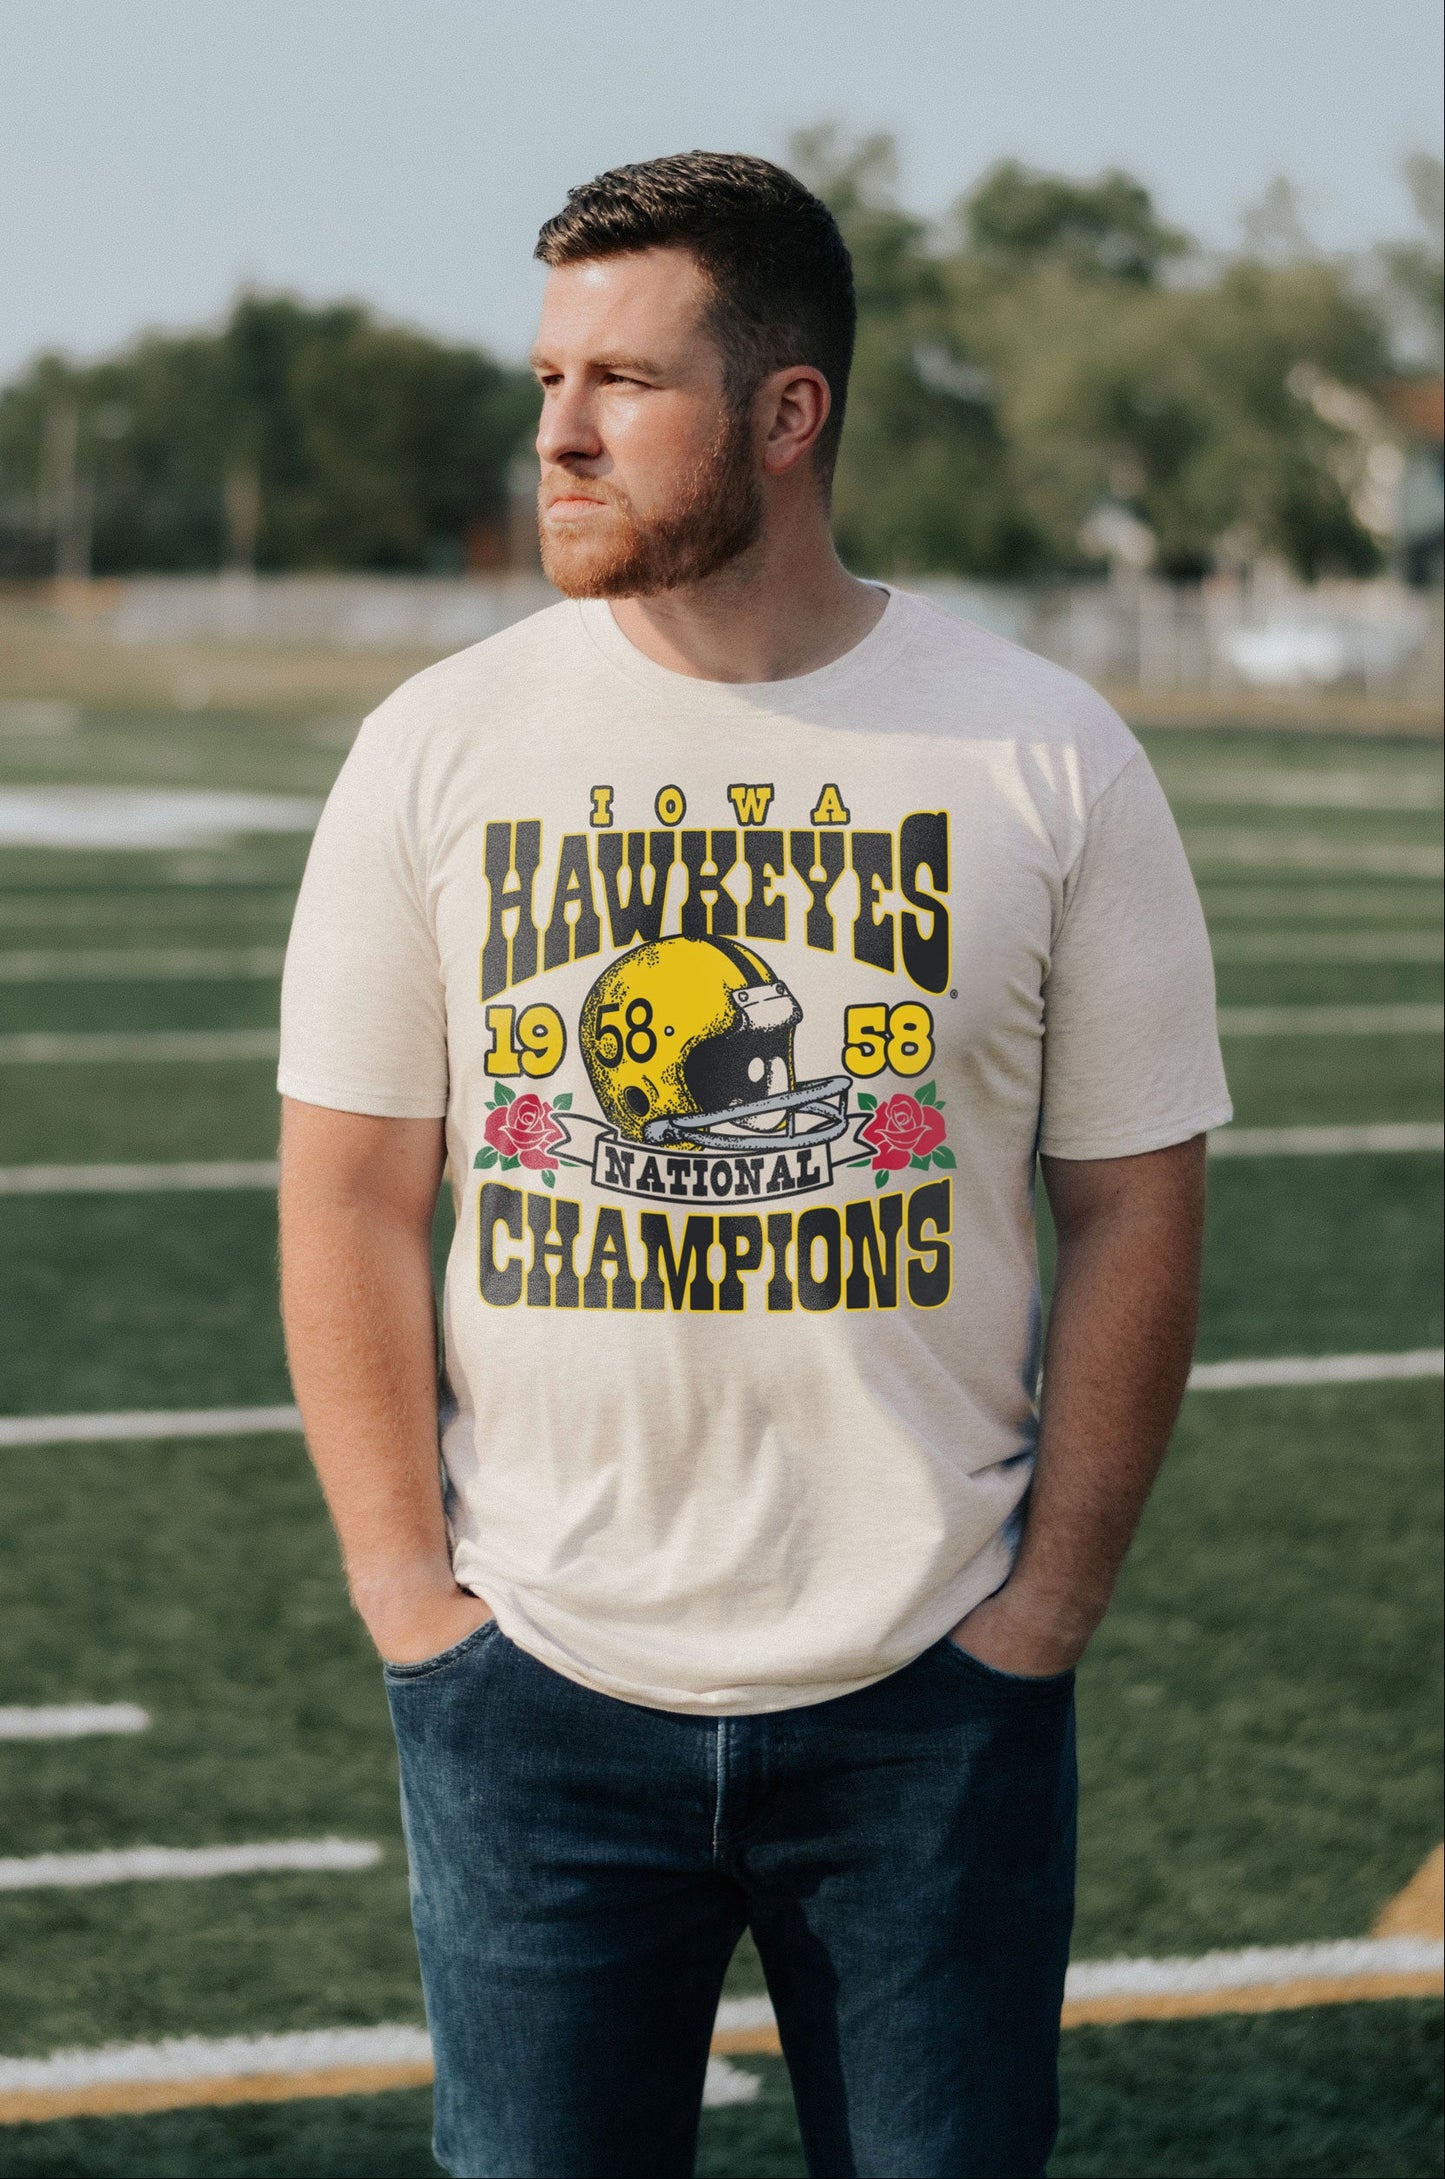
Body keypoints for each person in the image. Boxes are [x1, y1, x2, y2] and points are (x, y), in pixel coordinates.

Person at [277, 151, 1230, 2179]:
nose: (555, 427)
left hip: (932, 1695)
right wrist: (410, 1603)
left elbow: (1139, 1200)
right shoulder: (438, 747)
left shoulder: (1043, 752)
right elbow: (351, 1189)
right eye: (546, 374)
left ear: (789, 415)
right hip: (531, 1689)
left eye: (622, 378)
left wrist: (1040, 1614)